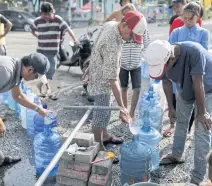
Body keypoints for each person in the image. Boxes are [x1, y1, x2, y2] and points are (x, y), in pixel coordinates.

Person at [0, 53, 51, 186]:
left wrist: (39, 109)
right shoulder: (5, 71)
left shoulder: (17, 70)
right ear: (30, 69)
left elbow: (18, 96)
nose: (35, 78)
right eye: (36, 76)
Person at [143, 40, 212, 185]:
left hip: (207, 89)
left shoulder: (194, 52)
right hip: (185, 86)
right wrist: (171, 107)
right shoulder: (160, 55)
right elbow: (166, 82)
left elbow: (198, 83)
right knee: (180, 121)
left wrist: (202, 113)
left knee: (202, 129)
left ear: (172, 59)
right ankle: (177, 155)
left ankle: (198, 177)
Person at [83, 11, 147, 150]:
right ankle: (98, 147)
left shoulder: (111, 24)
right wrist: (123, 108)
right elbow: (113, 80)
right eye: (131, 35)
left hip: (99, 72)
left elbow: (96, 48)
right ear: (125, 25)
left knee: (105, 112)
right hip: (102, 82)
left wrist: (90, 67)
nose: (129, 39)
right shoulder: (112, 43)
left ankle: (105, 136)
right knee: (100, 115)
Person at [163, 2, 207, 137]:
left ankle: (189, 130)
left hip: (195, 75)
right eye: (185, 18)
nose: (187, 21)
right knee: (179, 99)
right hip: (178, 74)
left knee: (195, 101)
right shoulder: (176, 32)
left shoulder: (203, 33)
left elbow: (203, 53)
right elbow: (169, 51)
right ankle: (176, 126)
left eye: (191, 19)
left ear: (198, 16)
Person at [106, 4, 151, 118]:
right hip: (123, 64)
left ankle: (131, 113)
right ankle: (124, 111)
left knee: (137, 89)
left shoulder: (141, 27)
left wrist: (141, 55)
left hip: (137, 64)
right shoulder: (121, 28)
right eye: (125, 15)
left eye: (130, 13)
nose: (127, 16)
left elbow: (147, 44)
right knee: (124, 88)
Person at [30, 2, 79, 96]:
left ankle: (41, 84)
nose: (47, 16)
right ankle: (47, 88)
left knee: (51, 70)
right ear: (42, 13)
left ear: (52, 12)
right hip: (41, 50)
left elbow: (68, 29)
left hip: (52, 50)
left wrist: (75, 40)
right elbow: (31, 29)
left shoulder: (57, 19)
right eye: (45, 14)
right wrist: (38, 36)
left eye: (48, 14)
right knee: (42, 70)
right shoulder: (38, 21)